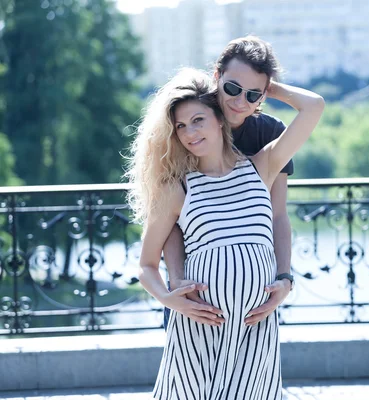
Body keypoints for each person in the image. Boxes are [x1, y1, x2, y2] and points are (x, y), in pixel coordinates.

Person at [125, 68, 324, 399]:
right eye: (181, 126)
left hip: (254, 326)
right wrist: (170, 300)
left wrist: (262, 89)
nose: (190, 132)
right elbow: (146, 265)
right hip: (199, 327)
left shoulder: (263, 166)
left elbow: (314, 107)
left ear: (220, 119)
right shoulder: (177, 188)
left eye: (198, 120)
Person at [162, 36, 295, 329]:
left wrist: (284, 279)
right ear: (217, 76)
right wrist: (177, 284)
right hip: (194, 295)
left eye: (253, 95)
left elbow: (278, 214)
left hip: (254, 302)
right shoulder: (189, 123)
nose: (239, 101)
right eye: (233, 88)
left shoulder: (270, 133)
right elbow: (167, 220)